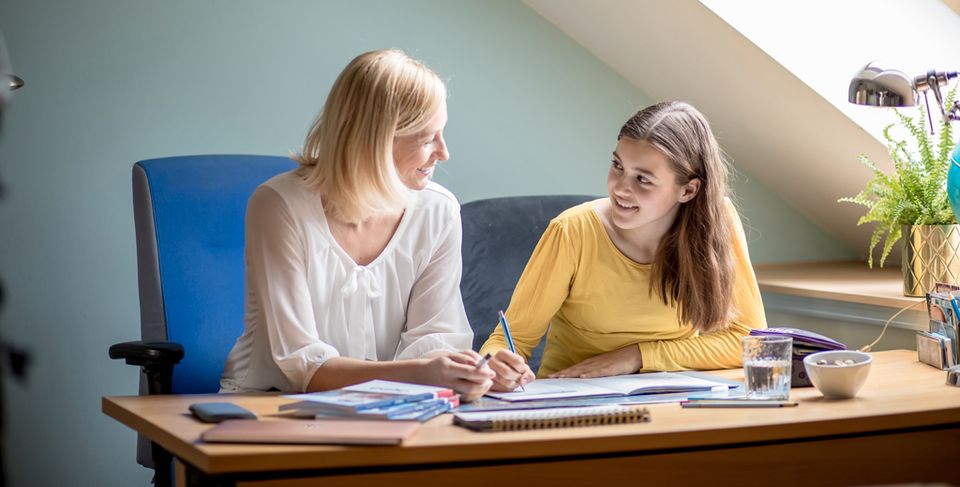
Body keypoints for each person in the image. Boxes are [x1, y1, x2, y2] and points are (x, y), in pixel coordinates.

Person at [220, 49, 494, 401]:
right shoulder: (279, 205)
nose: (443, 152)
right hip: (270, 405)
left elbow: (435, 341)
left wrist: (469, 372)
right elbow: (301, 364)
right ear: (376, 141)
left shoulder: (437, 211)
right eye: (427, 139)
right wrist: (419, 374)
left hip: (394, 405)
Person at [480, 101, 767, 391]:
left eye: (643, 179)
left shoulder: (717, 223)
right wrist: (496, 366)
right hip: (573, 398)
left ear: (688, 190)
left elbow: (749, 341)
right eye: (618, 165)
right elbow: (510, 339)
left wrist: (636, 357)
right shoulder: (571, 231)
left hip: (670, 398)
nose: (620, 187)